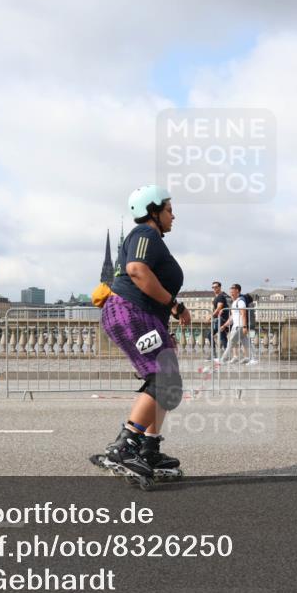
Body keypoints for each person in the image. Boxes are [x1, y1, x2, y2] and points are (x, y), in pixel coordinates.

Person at [95, 185, 189, 478]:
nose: (174, 216)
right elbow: (136, 269)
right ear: (153, 211)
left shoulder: (152, 238)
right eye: (169, 210)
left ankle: (149, 448)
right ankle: (125, 446)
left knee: (166, 383)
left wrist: (162, 324)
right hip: (131, 312)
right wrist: (173, 305)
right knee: (164, 379)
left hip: (142, 316)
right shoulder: (145, 234)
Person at [220, 283, 252, 364]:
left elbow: (243, 314)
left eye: (232, 289)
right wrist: (224, 325)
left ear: (237, 290)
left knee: (230, 343)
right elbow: (232, 318)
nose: (230, 291)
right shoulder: (234, 302)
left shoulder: (240, 301)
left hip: (239, 326)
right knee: (246, 343)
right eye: (230, 289)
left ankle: (222, 359)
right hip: (237, 326)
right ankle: (249, 358)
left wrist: (244, 326)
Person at [208, 281, 229, 360]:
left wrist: (211, 316)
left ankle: (215, 355)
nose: (214, 288)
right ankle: (225, 355)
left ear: (219, 287)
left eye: (216, 287)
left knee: (211, 335)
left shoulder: (220, 296)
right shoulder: (217, 297)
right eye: (213, 287)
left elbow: (219, 307)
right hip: (219, 319)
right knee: (222, 336)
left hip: (221, 319)